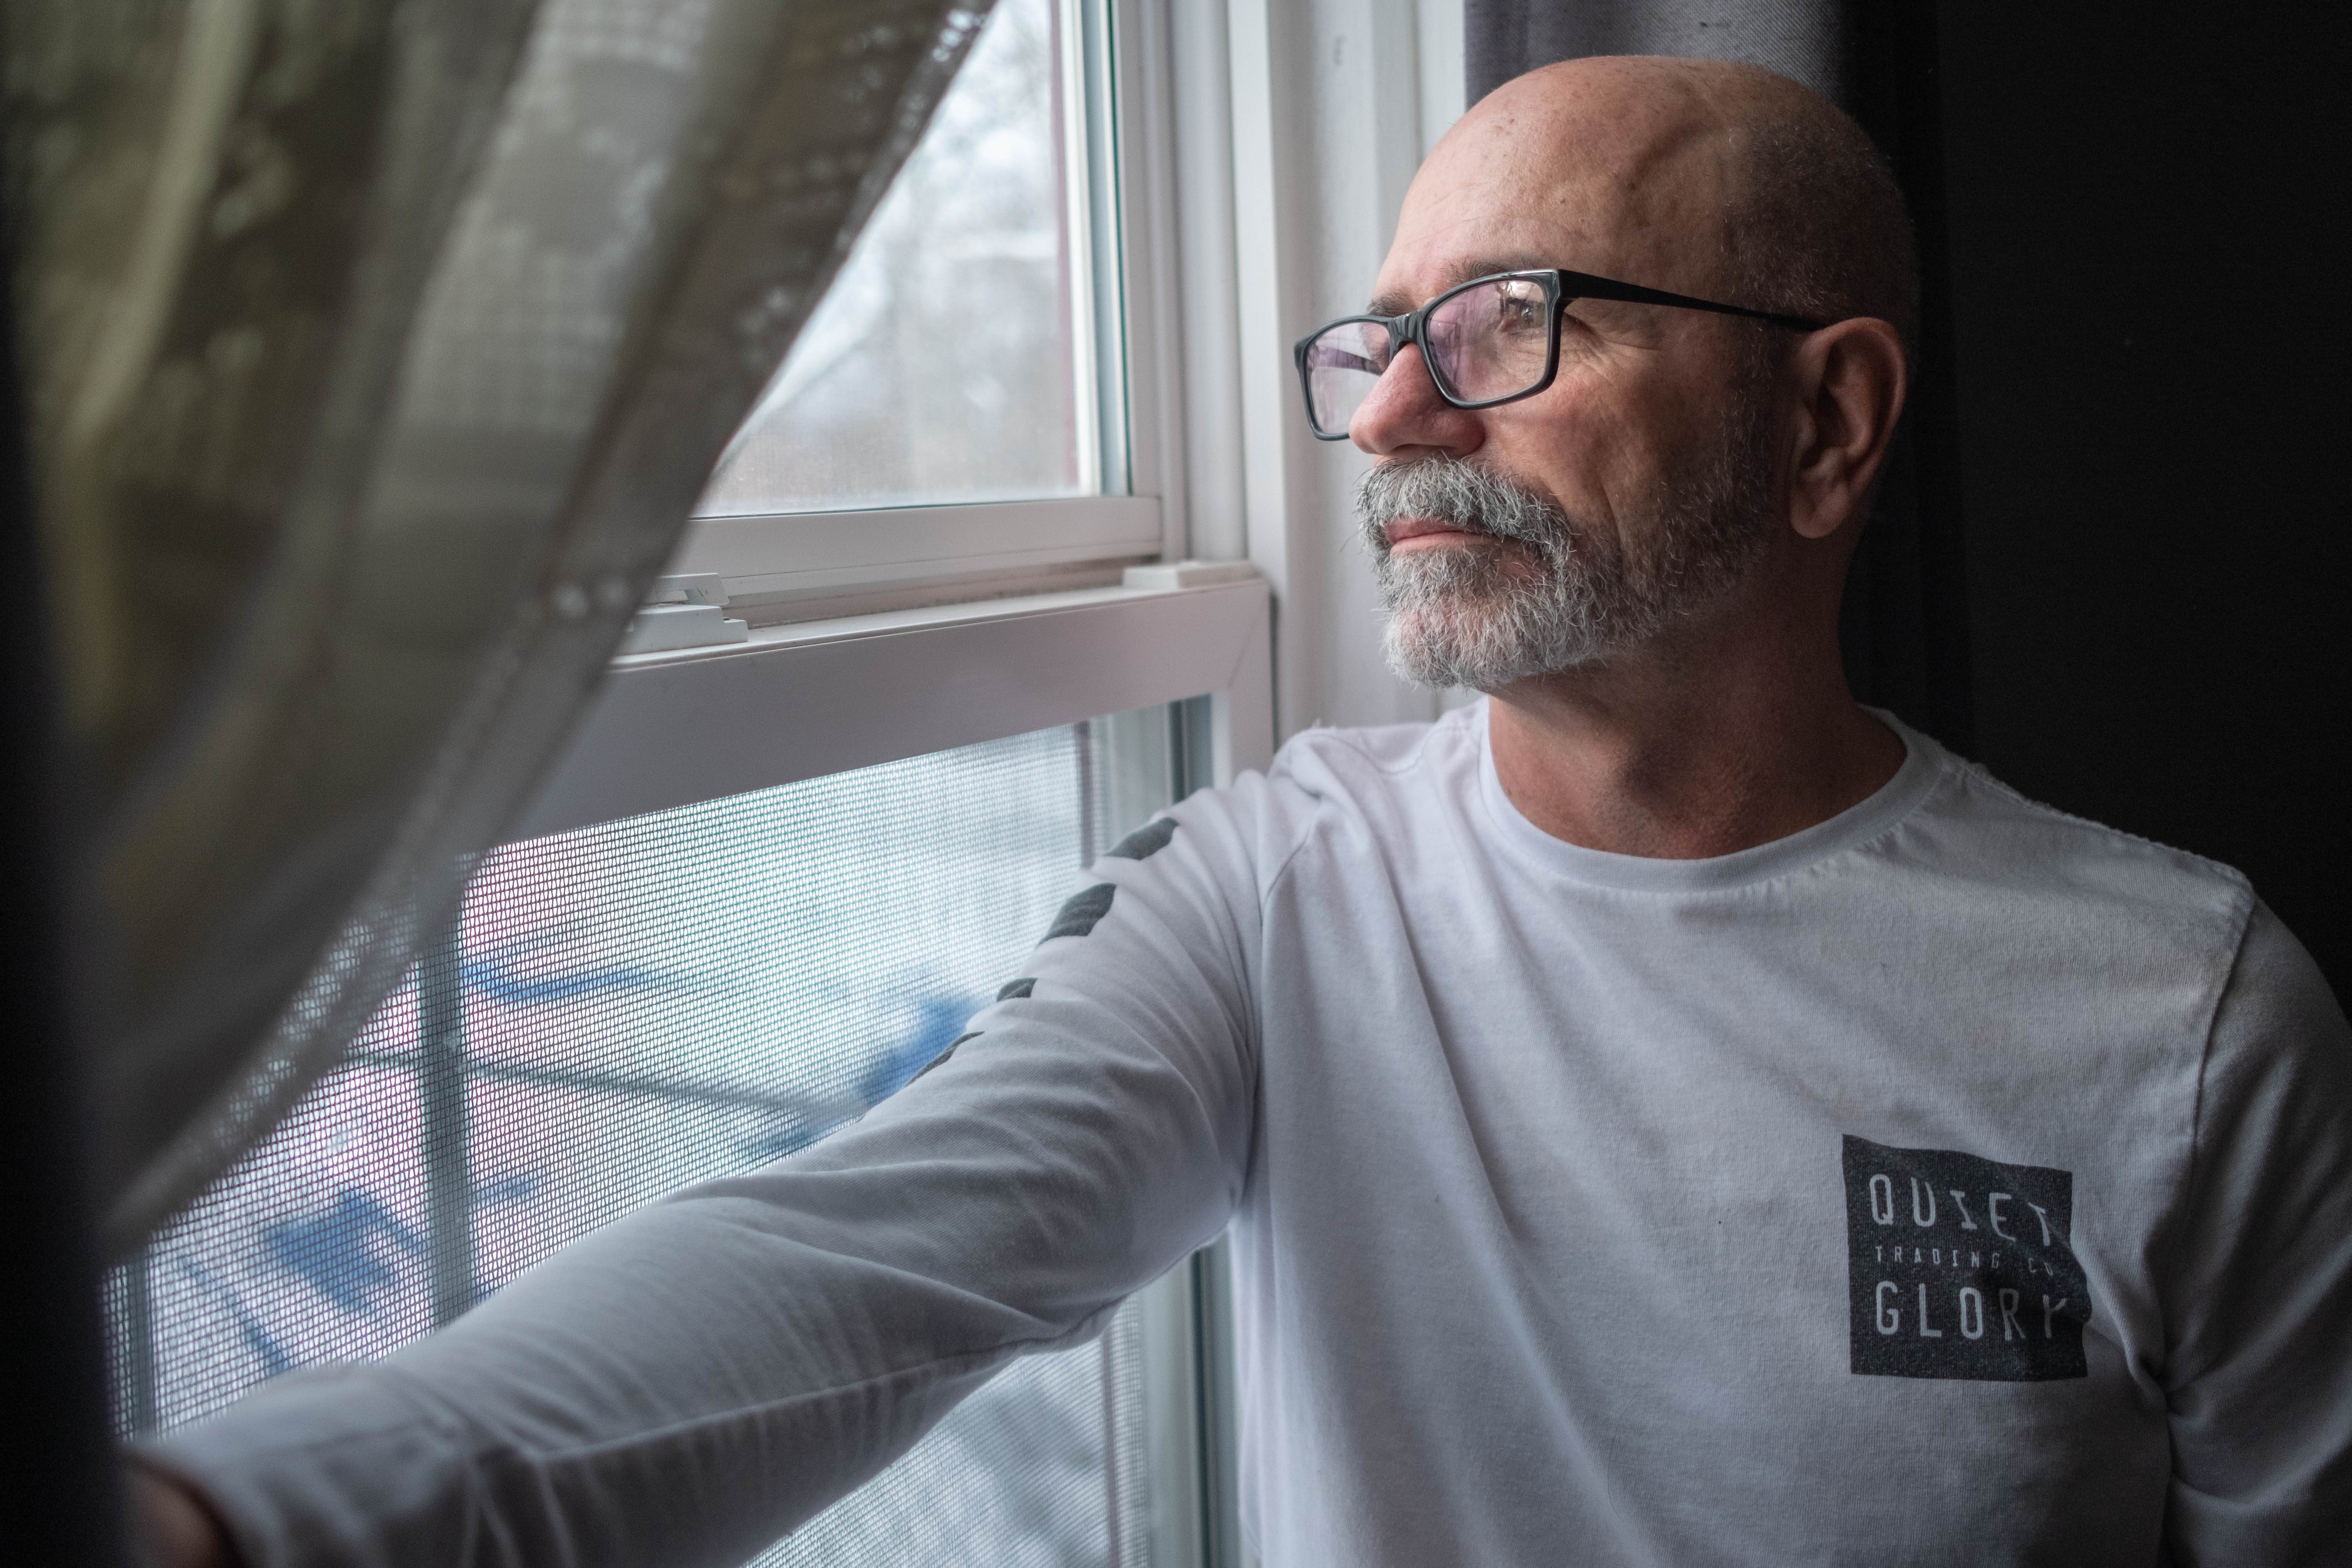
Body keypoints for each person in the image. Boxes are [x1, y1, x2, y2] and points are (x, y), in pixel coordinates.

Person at [136, 55, 2352, 1567]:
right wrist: (231, 1520)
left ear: (1828, 423)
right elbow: (848, 1269)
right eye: (1376, 336)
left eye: (1508, 323)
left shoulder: (2180, 1018)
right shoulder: (1280, 892)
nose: (1389, 412)